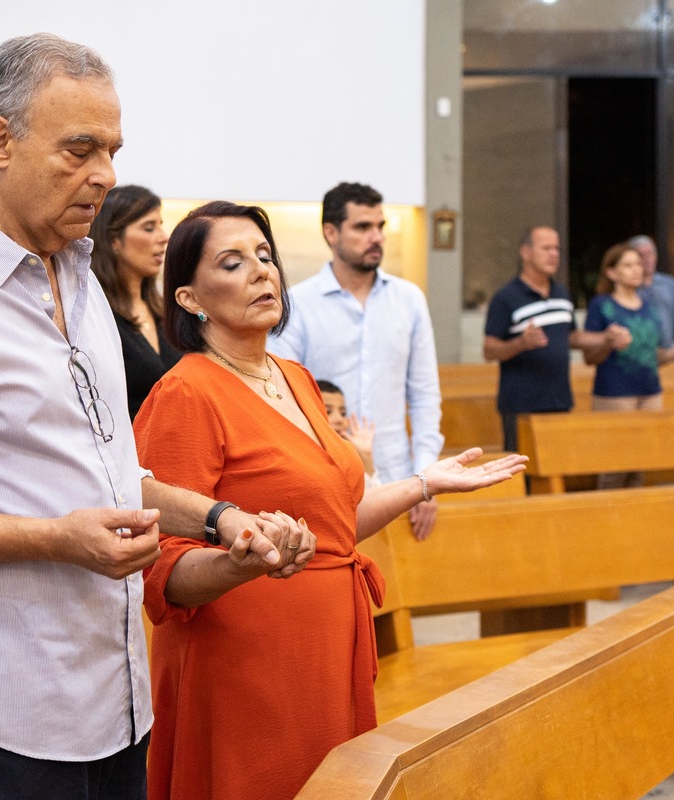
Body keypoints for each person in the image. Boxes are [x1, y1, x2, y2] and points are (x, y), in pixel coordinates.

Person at [0, 33, 307, 800]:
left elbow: (108, 469)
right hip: (0, 718)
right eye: (79, 150)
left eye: (112, 150)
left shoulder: (82, 279)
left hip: (114, 701)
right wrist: (55, 539)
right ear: (0, 141)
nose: (106, 177)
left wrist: (220, 519)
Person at [134, 201, 527, 800]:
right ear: (190, 298)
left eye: (265, 257)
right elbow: (162, 567)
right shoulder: (186, 391)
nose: (262, 273)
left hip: (323, 646)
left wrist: (424, 483)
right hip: (245, 659)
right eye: (234, 263)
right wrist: (240, 562)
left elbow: (334, 528)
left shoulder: (294, 378)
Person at [269, 182, 443, 540]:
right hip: (326, 478)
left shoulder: (408, 299)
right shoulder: (297, 304)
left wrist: (426, 477)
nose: (376, 236)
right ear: (331, 232)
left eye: (380, 226)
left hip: (399, 478)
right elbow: (282, 400)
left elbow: (425, 395)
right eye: (363, 227)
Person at [482, 226, 631, 452]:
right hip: (521, 404)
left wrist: (606, 338)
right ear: (526, 252)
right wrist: (521, 343)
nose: (554, 254)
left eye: (557, 249)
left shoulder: (561, 293)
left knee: (555, 467)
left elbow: (571, 336)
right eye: (546, 248)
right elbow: (489, 350)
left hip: (559, 399)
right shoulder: (506, 298)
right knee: (522, 473)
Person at [583, 241, 674, 489]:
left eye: (638, 264)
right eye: (628, 265)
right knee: (616, 464)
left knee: (640, 465)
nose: (637, 269)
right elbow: (589, 358)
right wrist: (608, 342)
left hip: (650, 391)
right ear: (612, 272)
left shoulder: (649, 308)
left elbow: (656, 357)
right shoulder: (602, 305)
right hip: (615, 393)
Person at [90, 184, 180, 419]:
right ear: (114, 240)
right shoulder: (96, 313)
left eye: (160, 225)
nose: (163, 237)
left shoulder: (164, 310)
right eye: (148, 228)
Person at [628, 234, 674, 373]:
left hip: (668, 359)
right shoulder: (627, 288)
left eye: (650, 253)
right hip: (634, 361)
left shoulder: (669, 284)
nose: (646, 259)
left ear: (656, 256)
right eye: (641, 255)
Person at [318, 378, 378, 487]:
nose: (340, 419)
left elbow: (376, 500)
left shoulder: (348, 458)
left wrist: (366, 456)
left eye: (343, 413)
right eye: (328, 412)